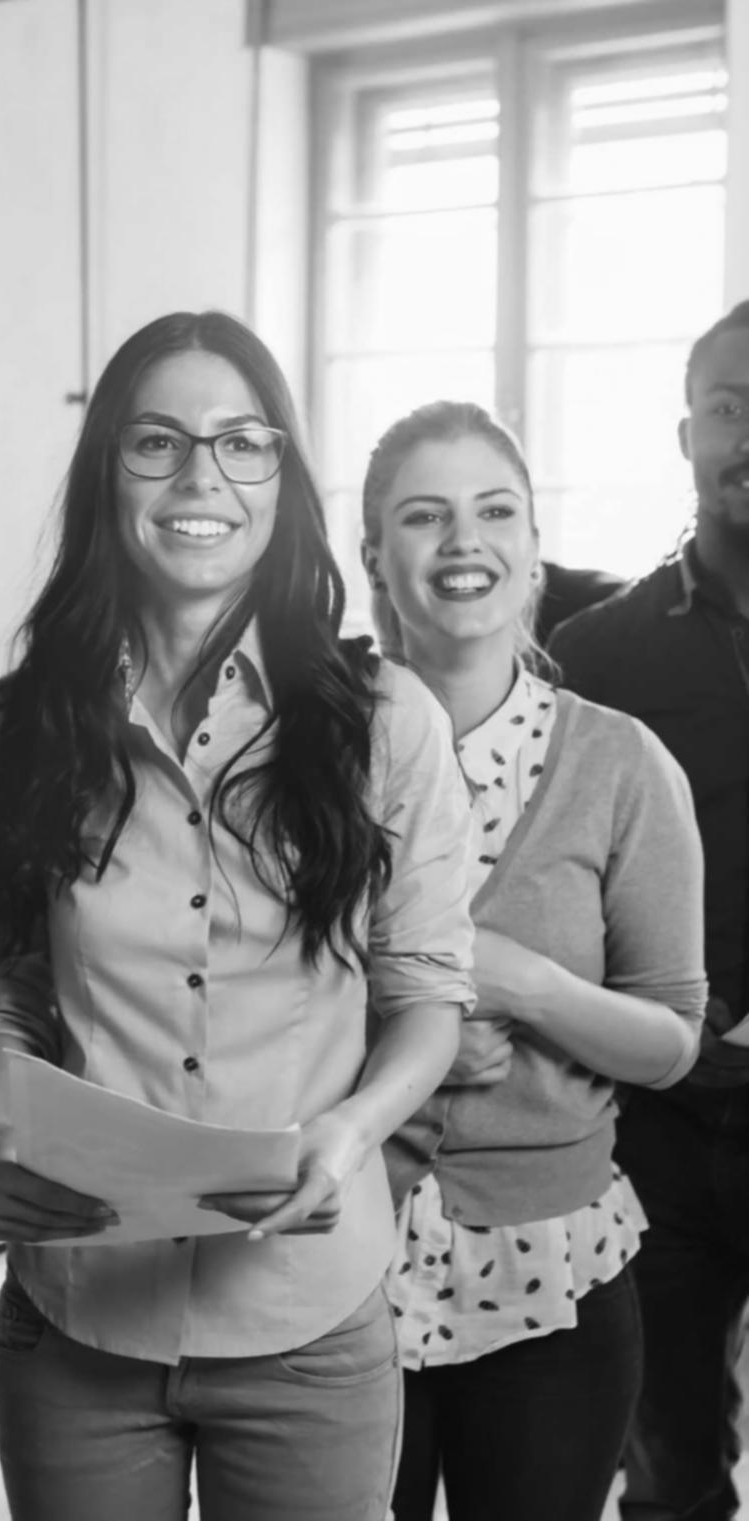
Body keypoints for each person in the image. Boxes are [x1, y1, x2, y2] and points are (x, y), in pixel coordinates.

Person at [0, 310, 475, 1521]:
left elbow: (428, 1000)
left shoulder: (386, 721)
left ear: (283, 479)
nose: (203, 479)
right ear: (108, 472)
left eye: (244, 444)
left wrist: (349, 1135)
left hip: (307, 1315)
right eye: (159, 444)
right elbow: (15, 978)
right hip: (78, 1309)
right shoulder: (12, 727)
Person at [360, 400, 705, 1521]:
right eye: (425, 515)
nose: (464, 540)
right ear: (375, 554)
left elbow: (668, 1043)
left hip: (551, 1281)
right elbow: (234, 996)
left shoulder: (620, 764)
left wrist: (524, 983)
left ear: (532, 544)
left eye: (493, 510)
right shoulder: (304, 753)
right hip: (334, 1265)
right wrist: (408, 1036)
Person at [552, 301, 749, 1521]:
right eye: (731, 409)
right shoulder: (599, 652)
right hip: (662, 1132)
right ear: (687, 433)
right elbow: (554, 878)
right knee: (672, 1479)